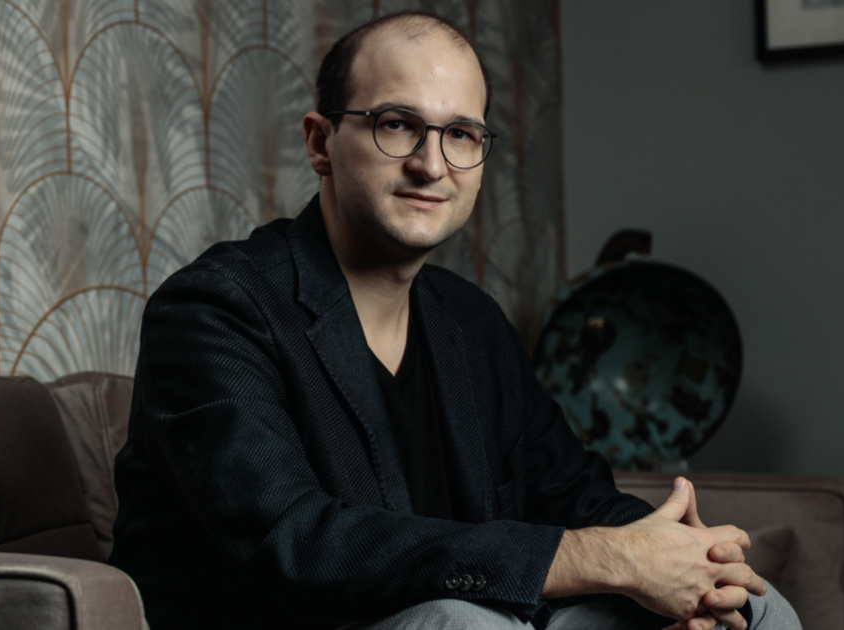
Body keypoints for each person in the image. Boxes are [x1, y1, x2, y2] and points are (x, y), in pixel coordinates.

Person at [109, 11, 801, 630]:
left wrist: (690, 563)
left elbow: (574, 496)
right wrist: (601, 559)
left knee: (757, 607)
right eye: (397, 124)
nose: (431, 164)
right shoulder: (214, 311)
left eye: (461, 134)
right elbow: (295, 543)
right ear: (320, 143)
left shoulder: (469, 321)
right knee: (462, 623)